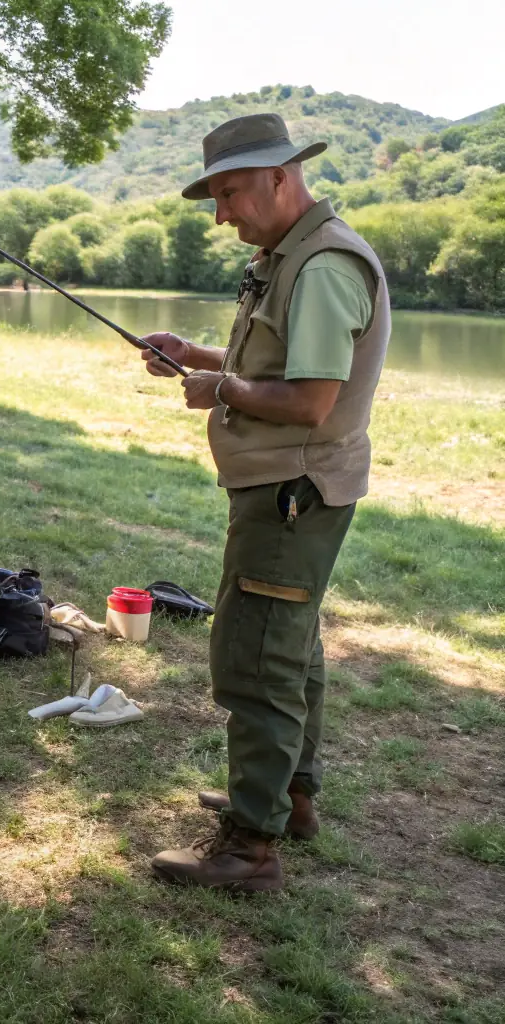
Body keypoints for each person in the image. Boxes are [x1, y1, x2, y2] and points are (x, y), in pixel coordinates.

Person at [141, 114, 390, 891]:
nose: (221, 215)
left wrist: (219, 389)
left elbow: (311, 398)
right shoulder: (290, 255)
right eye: (214, 196)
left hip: (293, 493)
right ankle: (287, 800)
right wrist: (196, 355)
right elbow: (276, 361)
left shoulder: (320, 265)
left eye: (229, 193)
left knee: (254, 660)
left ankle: (249, 849)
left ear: (281, 176)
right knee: (290, 648)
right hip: (292, 490)